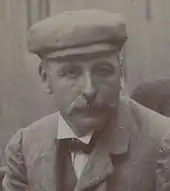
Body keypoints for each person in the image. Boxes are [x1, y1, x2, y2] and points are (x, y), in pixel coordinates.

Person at [2, 9, 170, 191]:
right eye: (72, 73)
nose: (89, 90)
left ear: (121, 71)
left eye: (103, 70)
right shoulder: (24, 149)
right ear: (45, 78)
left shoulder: (162, 143)